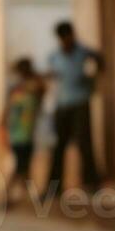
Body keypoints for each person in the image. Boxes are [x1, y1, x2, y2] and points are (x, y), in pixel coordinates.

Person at [44, 21, 104, 195]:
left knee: (85, 144)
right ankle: (54, 188)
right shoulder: (54, 57)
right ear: (60, 39)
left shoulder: (83, 52)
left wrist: (93, 79)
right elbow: (52, 75)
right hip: (62, 105)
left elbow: (100, 60)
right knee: (59, 147)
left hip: (81, 103)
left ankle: (91, 183)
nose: (67, 40)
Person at [1, 57, 45, 206]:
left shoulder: (32, 87)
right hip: (18, 133)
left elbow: (40, 91)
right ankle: (8, 196)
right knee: (21, 165)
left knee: (24, 165)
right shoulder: (17, 89)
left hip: (27, 131)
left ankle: (24, 196)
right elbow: (6, 112)